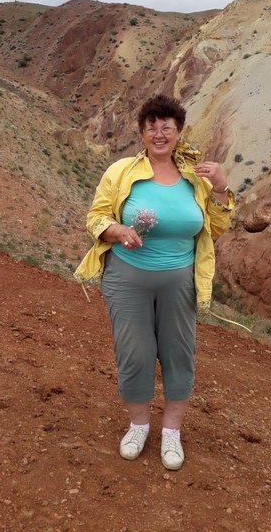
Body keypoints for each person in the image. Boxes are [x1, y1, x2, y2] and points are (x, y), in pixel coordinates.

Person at [75, 94, 235, 470]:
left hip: (179, 282)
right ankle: (138, 426)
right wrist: (116, 230)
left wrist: (221, 188)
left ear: (179, 132)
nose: (159, 134)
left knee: (179, 354)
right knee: (135, 353)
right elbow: (95, 216)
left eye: (167, 127)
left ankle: (171, 432)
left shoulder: (196, 179)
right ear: (142, 133)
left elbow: (216, 226)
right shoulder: (121, 172)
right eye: (151, 127)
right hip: (126, 279)